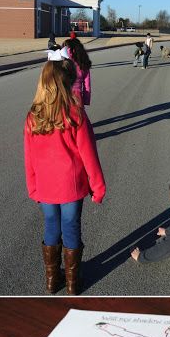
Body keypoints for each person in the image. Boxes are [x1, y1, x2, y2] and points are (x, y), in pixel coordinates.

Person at [24, 59, 106, 295]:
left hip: (45, 187)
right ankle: (72, 281)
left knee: (51, 226)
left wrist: (33, 187)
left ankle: (52, 279)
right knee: (70, 227)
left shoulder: (33, 117)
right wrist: (98, 187)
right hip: (71, 186)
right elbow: (89, 154)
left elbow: (29, 158)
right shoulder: (75, 113)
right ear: (64, 84)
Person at [63, 37, 92, 106]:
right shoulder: (83, 64)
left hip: (63, 94)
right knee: (78, 115)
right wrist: (86, 100)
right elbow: (87, 85)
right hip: (77, 96)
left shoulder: (62, 63)